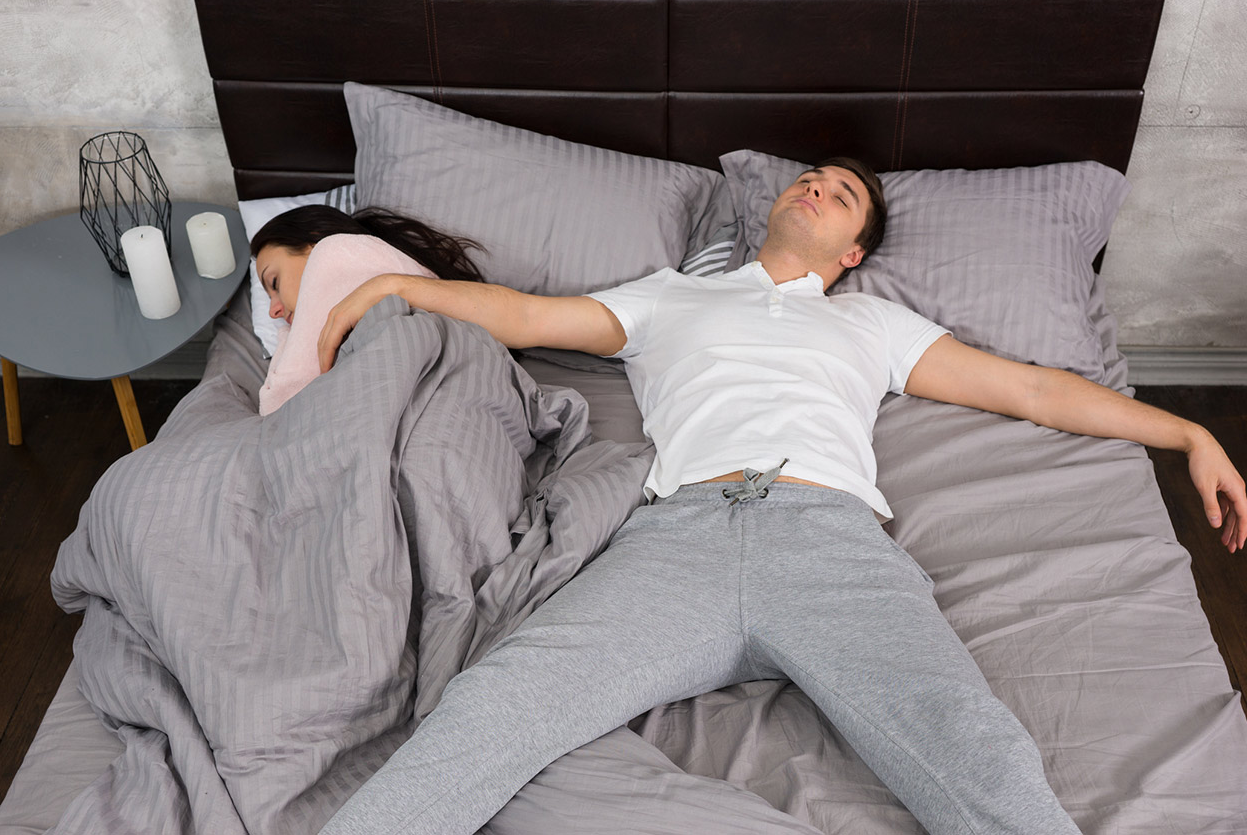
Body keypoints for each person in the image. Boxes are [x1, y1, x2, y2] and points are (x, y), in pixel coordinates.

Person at [314, 159, 1246, 835]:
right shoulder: (669, 297)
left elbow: (1034, 388)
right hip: (678, 540)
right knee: (493, 707)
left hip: (829, 542)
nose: (816, 188)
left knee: (973, 750)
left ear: (854, 250)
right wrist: (400, 284)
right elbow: (525, 315)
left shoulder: (874, 323)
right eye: (810, 178)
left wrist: (1186, 433)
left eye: (842, 195)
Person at [250, 205, 486, 414]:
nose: (273, 311)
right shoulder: (389, 262)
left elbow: (280, 405)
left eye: (274, 283)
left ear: (313, 244)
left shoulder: (331, 254)